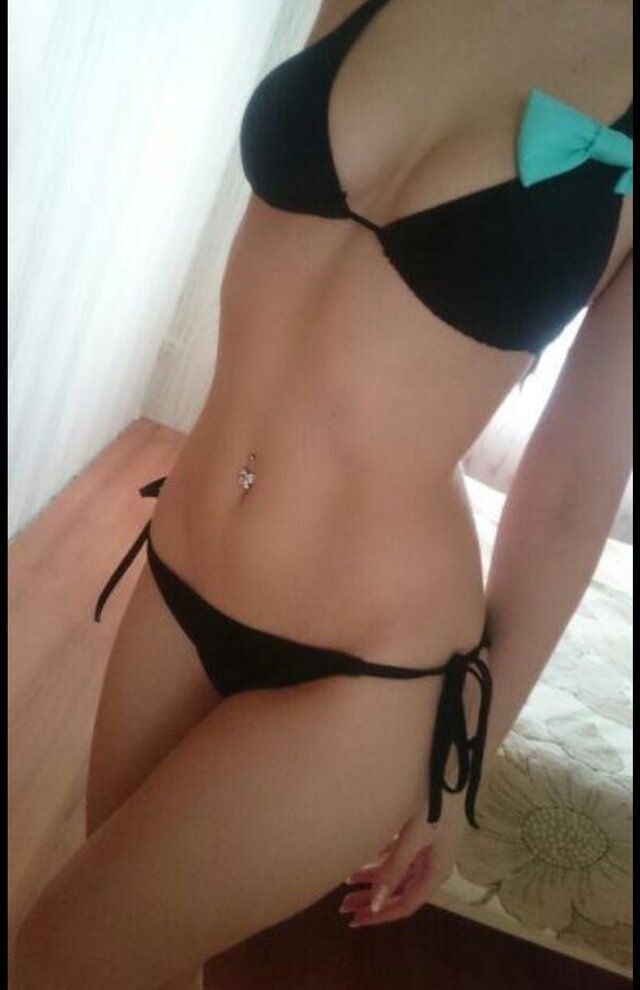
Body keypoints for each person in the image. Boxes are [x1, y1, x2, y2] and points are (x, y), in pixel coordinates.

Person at [13, 1, 632, 987]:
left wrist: (463, 765)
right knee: (141, 958)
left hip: (364, 670)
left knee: (57, 958)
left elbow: (571, 488)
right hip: (179, 569)